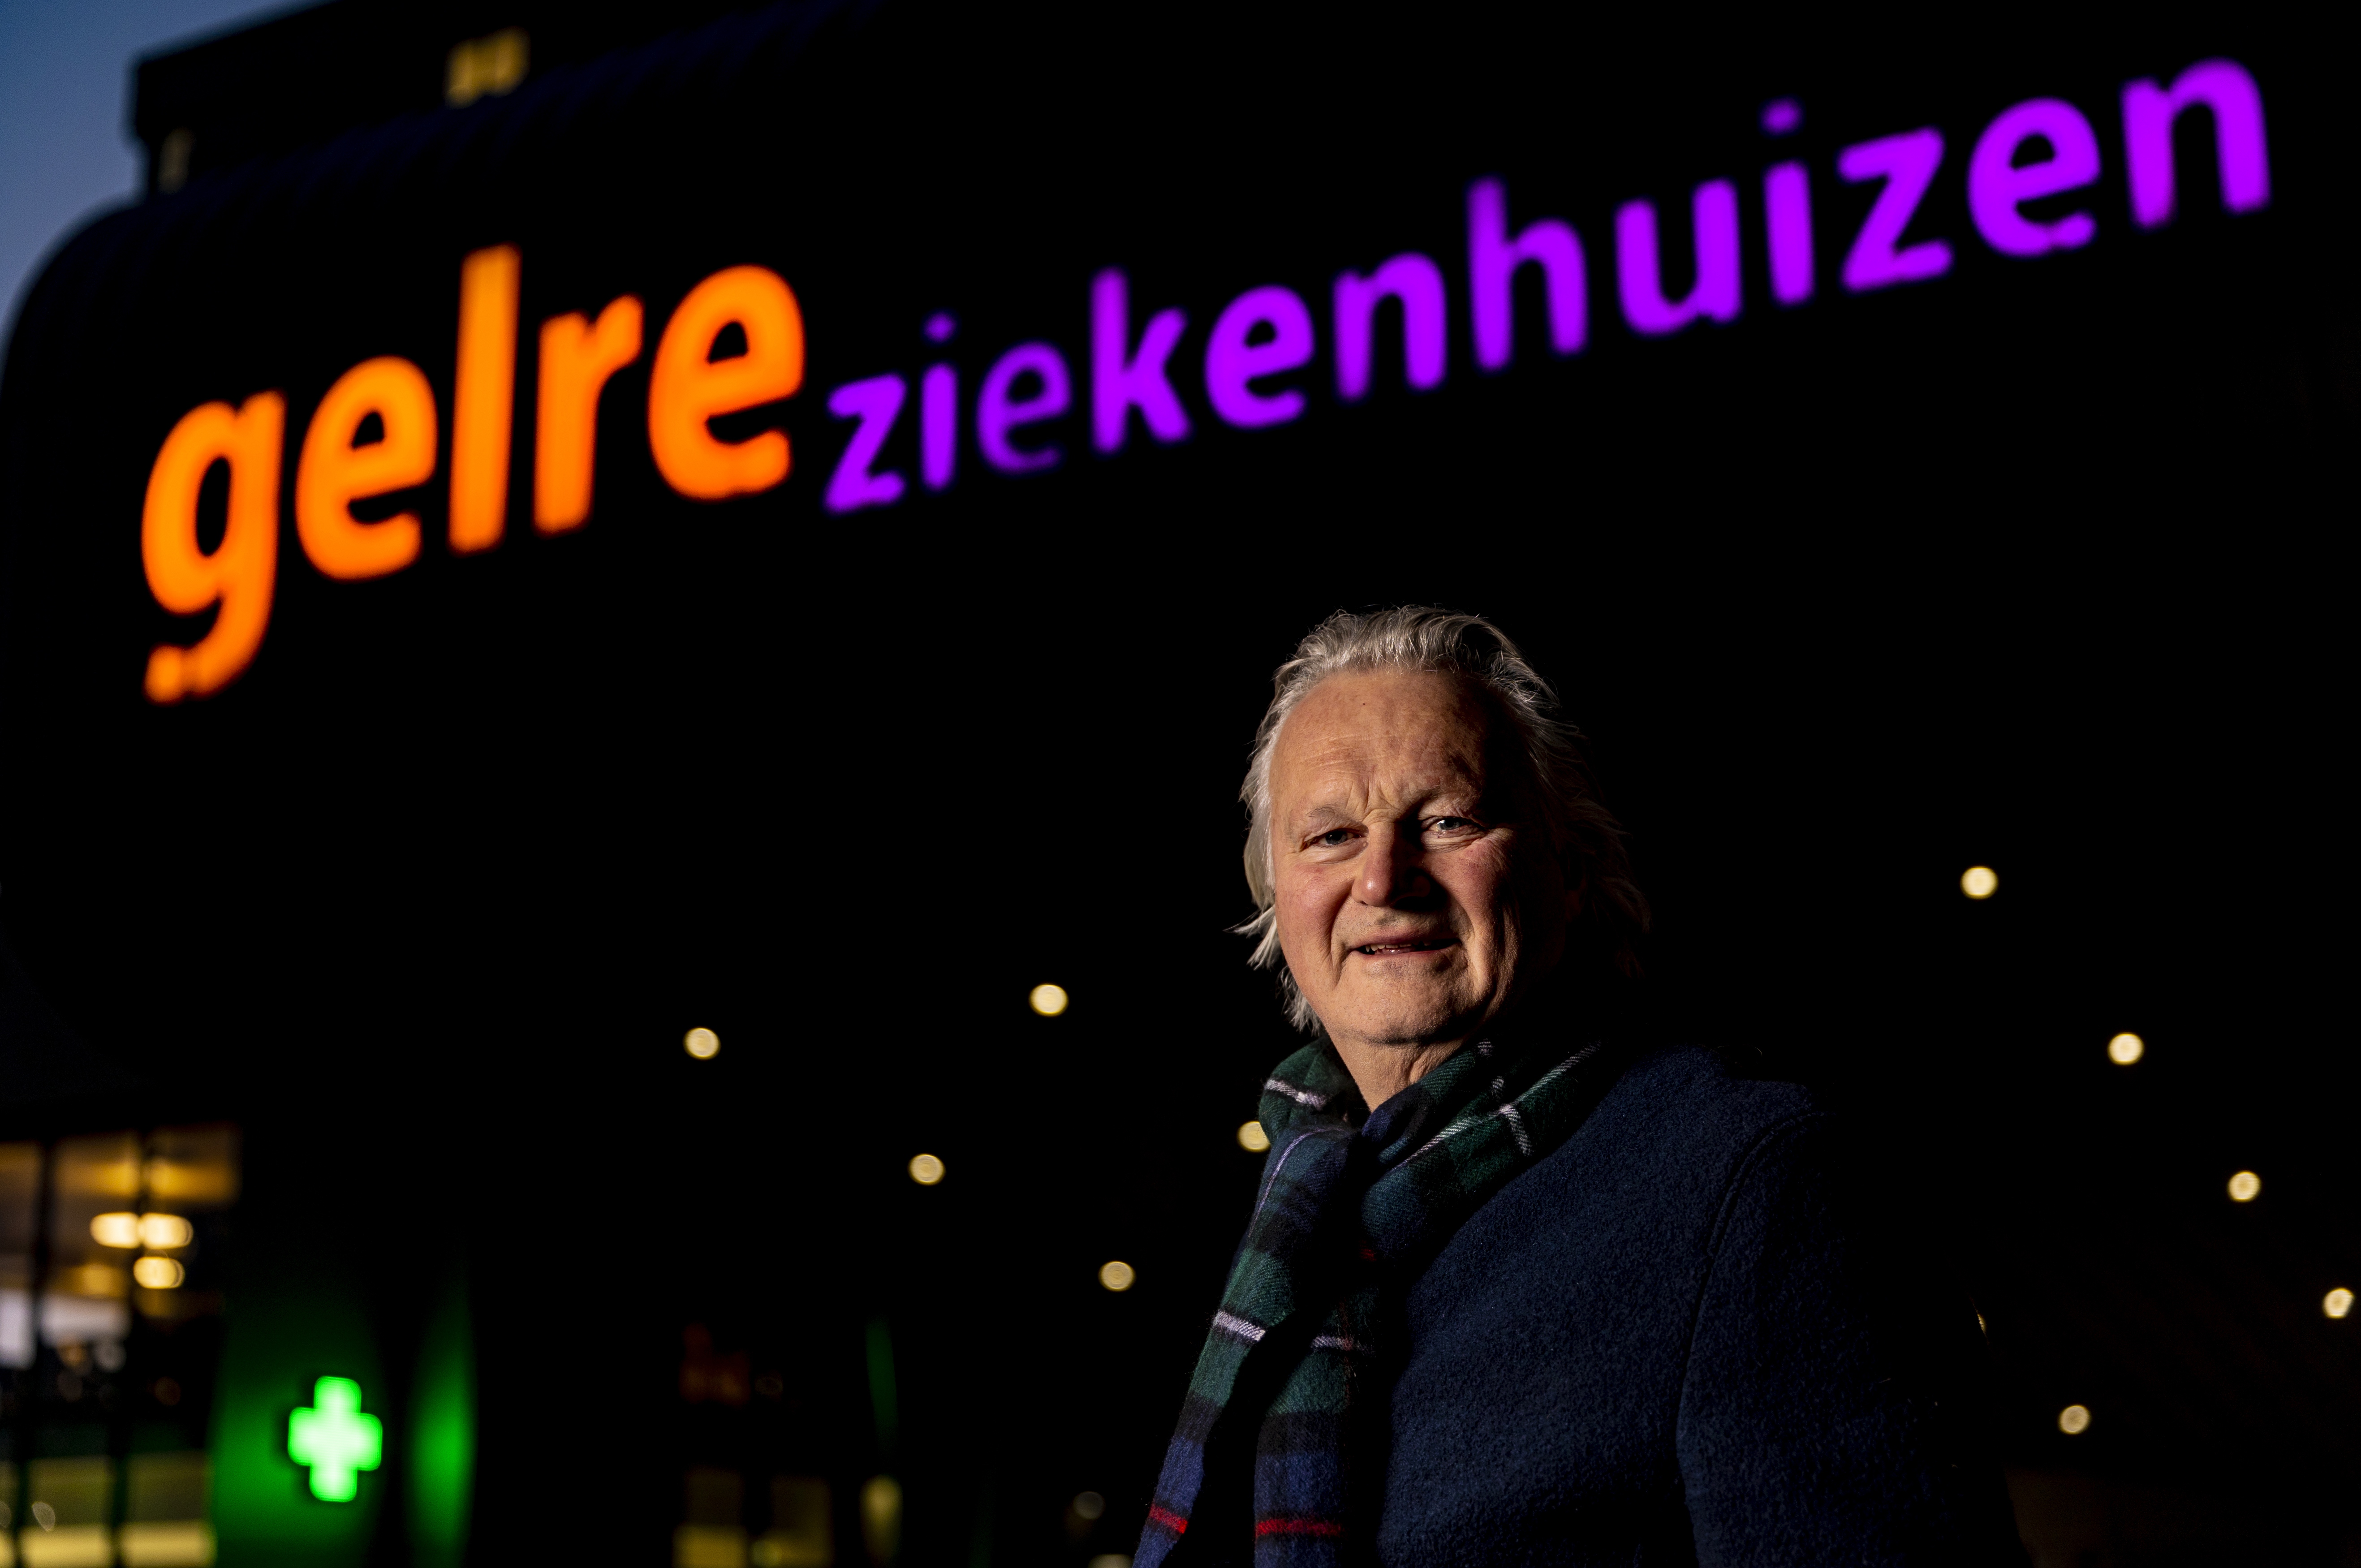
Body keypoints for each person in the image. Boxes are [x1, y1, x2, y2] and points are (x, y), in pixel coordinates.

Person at [1136, 607, 2025, 1567]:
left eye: (1446, 819)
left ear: (1571, 867)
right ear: (1277, 893)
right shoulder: (1299, 1207)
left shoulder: (1759, 1182)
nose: (1384, 878)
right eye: (1331, 836)